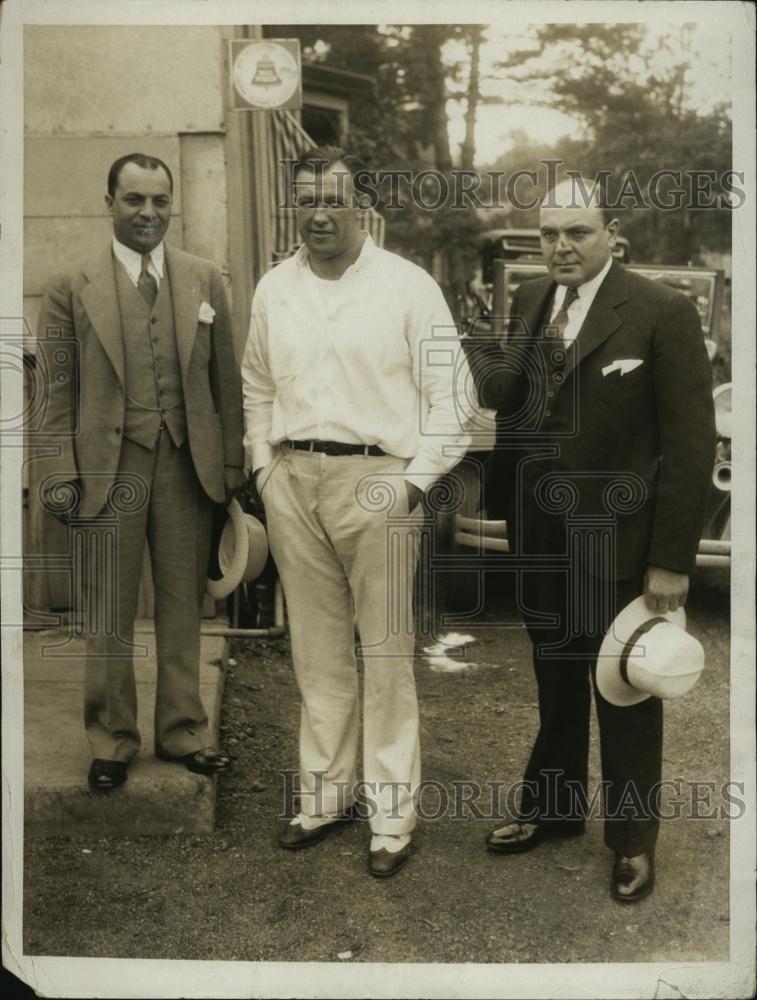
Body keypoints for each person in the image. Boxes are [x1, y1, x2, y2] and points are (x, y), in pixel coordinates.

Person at [467, 177, 716, 901]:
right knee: (554, 675)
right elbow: (517, 412)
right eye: (548, 233)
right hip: (540, 536)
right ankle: (552, 808)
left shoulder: (659, 313)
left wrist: (671, 560)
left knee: (626, 689)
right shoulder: (533, 302)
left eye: (576, 232)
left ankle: (633, 841)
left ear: (611, 235)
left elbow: (690, 446)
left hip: (621, 542)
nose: (560, 246)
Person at [241, 145, 472, 878]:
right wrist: (262, 467)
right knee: (314, 650)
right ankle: (323, 794)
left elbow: (453, 403)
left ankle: (391, 816)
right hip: (293, 481)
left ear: (361, 207)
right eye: (306, 200)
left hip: (381, 481)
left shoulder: (407, 287)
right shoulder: (274, 289)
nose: (318, 214)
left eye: (333, 200)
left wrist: (413, 483)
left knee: (384, 651)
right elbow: (254, 385)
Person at [37, 153, 245, 791]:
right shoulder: (71, 285)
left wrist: (232, 466)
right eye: (134, 200)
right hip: (105, 469)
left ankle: (183, 730)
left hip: (188, 467)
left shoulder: (204, 279)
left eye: (160, 201)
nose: (149, 213)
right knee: (107, 610)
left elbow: (226, 384)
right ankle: (112, 738)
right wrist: (58, 475)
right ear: (110, 203)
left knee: (184, 607)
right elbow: (54, 394)